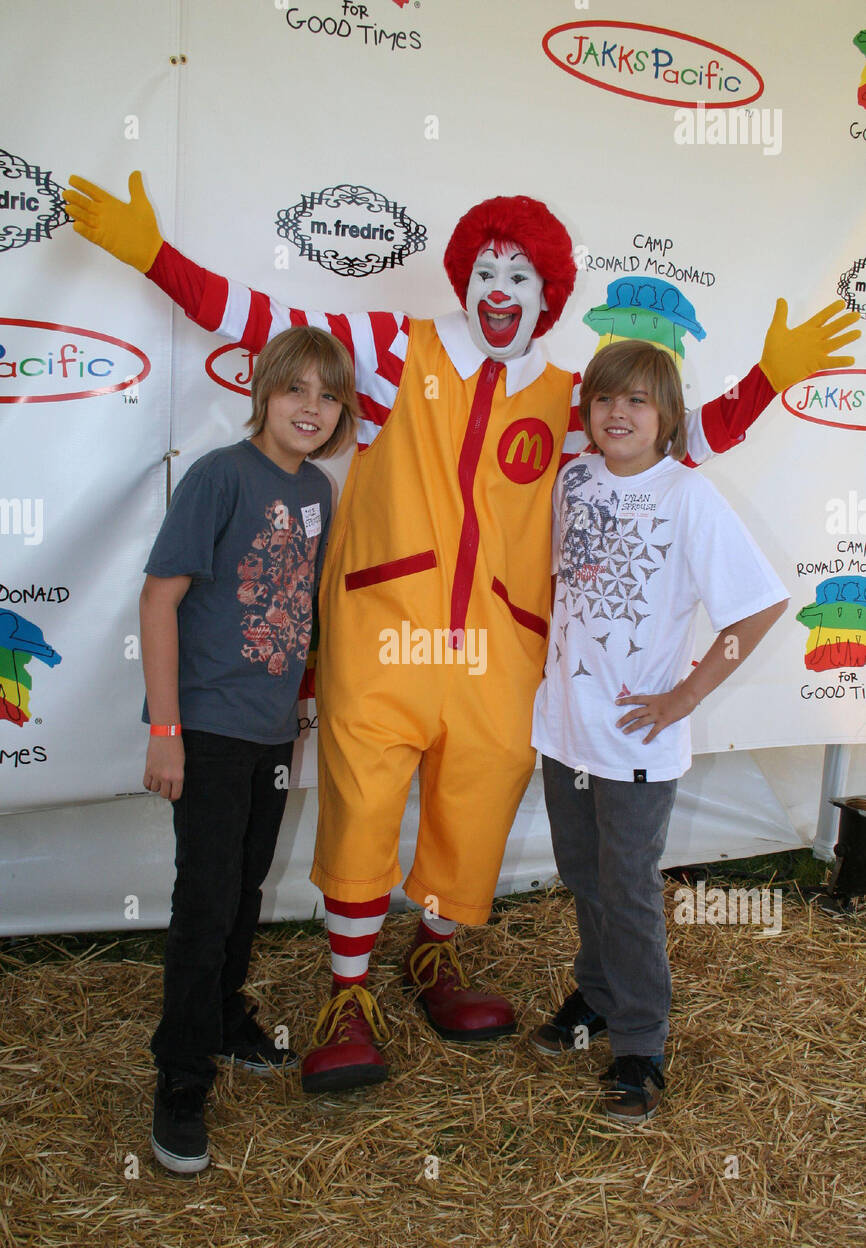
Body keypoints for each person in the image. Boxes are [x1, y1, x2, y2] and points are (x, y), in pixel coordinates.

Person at [63, 171, 856, 1095]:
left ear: (547, 295)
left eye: (521, 275)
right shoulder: (396, 348)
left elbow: (670, 446)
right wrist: (155, 257)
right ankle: (347, 994)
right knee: (363, 806)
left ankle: (433, 952)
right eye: (487, 269)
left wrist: (766, 381)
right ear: (462, 278)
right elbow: (265, 323)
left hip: (499, 654)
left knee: (474, 807)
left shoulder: (568, 397)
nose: (500, 289)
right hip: (383, 637)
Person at [530, 340, 789, 1123]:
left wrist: (684, 696)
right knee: (583, 875)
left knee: (630, 892)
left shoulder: (689, 496)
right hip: (565, 731)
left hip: (637, 745)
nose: (619, 413)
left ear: (668, 416)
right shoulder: (572, 481)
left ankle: (640, 1043)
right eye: (606, 398)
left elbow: (760, 608)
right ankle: (598, 995)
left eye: (638, 400)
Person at [140, 325, 357, 1172]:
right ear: (263, 392)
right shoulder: (218, 476)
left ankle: (225, 1016)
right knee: (204, 899)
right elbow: (159, 600)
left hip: (271, 729)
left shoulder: (319, 490)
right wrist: (166, 730)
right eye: (295, 389)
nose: (310, 408)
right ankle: (180, 1075)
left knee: (245, 886)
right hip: (207, 726)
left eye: (328, 396)